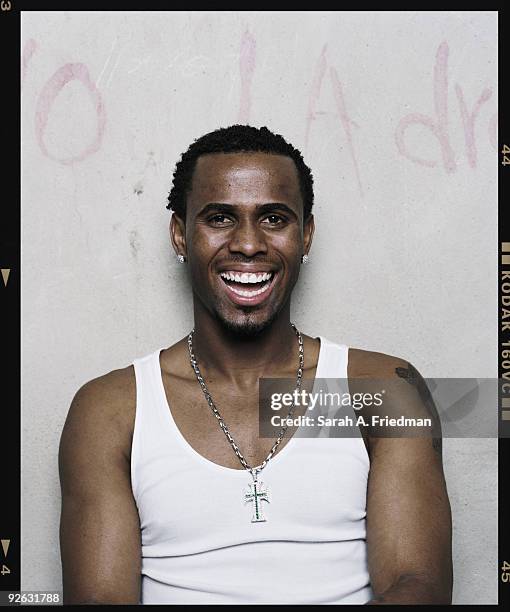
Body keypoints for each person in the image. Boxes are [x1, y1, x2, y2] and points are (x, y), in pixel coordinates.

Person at [58, 125, 453, 605]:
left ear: (306, 235)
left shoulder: (386, 388)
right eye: (220, 218)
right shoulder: (110, 410)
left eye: (274, 219)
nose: (248, 244)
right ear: (180, 235)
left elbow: (419, 586)